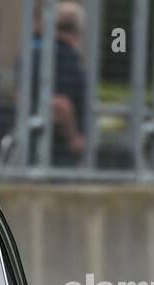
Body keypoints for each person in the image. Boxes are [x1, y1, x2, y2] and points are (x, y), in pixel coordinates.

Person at [29, 1, 88, 166]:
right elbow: (59, 104)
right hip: (59, 150)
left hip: (31, 145)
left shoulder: (33, 56)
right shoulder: (67, 60)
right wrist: (74, 139)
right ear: (78, 29)